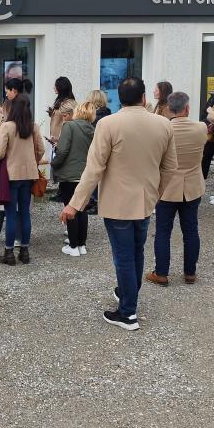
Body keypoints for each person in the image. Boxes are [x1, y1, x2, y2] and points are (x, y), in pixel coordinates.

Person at [60, 77, 177, 331]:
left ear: (118, 98)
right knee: (136, 252)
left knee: (123, 256)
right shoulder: (163, 124)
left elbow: (94, 169)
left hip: (117, 202)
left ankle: (128, 312)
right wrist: (156, 193)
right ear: (144, 98)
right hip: (145, 200)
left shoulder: (108, 124)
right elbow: (170, 167)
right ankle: (128, 295)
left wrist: (74, 204)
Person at [146, 92, 207, 285]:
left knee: (163, 231)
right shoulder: (201, 127)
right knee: (191, 230)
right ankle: (190, 272)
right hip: (192, 184)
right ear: (187, 108)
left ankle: (161, 272)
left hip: (167, 186)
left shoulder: (163, 129)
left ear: (168, 108)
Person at [0, 96, 44, 266]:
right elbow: (41, 149)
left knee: (10, 214)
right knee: (25, 213)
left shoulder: (6, 127)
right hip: (29, 174)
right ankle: (25, 251)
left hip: (11, 175)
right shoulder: (33, 126)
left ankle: (9, 253)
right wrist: (33, 161)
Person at [51, 101, 95, 256]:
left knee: (70, 209)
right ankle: (82, 245)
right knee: (81, 209)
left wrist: (54, 163)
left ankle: (73, 245)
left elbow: (62, 151)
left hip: (69, 175)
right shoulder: (91, 129)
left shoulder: (69, 126)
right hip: (85, 175)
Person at [46, 77, 77, 148]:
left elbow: (67, 123)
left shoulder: (69, 103)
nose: (53, 88)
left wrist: (60, 141)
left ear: (61, 87)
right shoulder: (60, 101)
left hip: (62, 144)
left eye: (56, 86)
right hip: (55, 141)